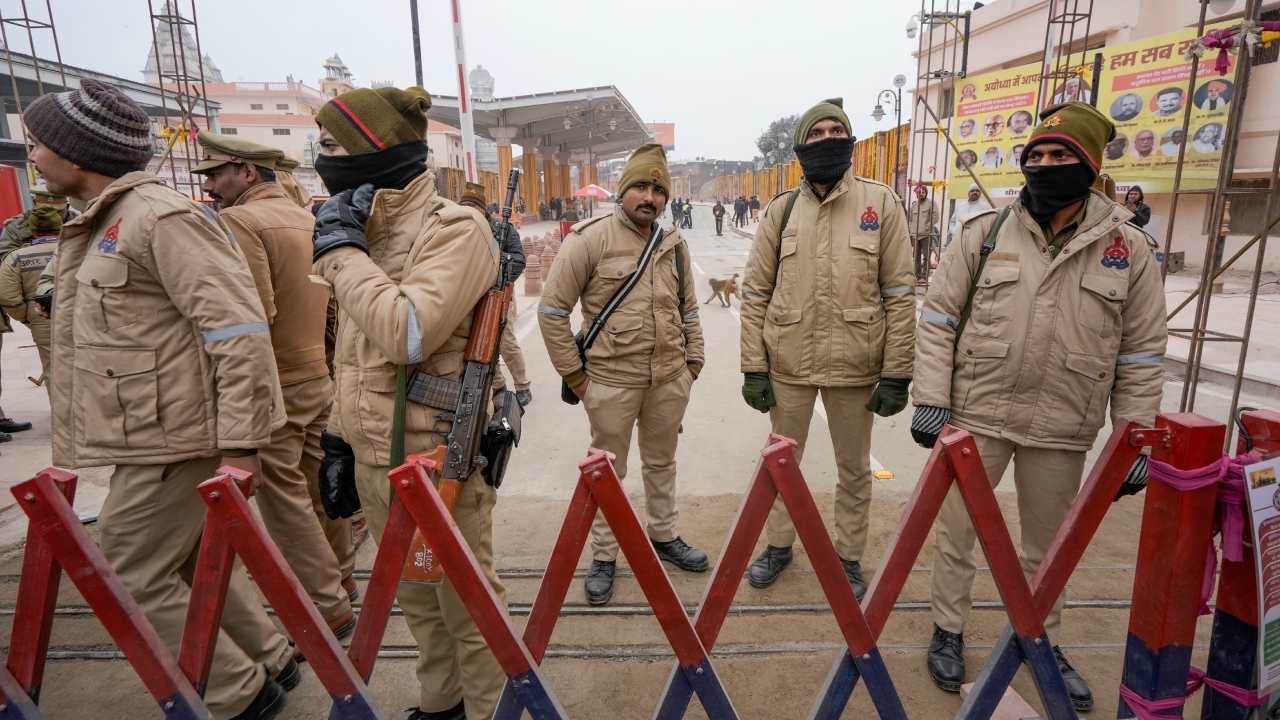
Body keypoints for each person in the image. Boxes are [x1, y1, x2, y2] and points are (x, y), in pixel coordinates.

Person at [29, 79, 295, 720]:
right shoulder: (107, 222)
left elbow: (238, 333)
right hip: (153, 432)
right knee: (180, 558)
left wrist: (241, 445)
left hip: (179, 436)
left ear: (78, 152)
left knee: (124, 566)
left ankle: (237, 695)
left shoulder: (160, 218)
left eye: (39, 144)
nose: (31, 154)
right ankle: (270, 659)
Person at [911, 102, 1166, 711]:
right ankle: (948, 629)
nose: (1046, 166)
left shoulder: (1127, 250)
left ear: (1089, 166)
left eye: (1062, 157)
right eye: (1038, 156)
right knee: (958, 531)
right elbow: (940, 319)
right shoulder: (985, 233)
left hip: (1063, 420)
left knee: (1050, 545)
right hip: (978, 412)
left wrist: (1134, 437)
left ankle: (1042, 640)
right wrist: (931, 398)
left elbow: (1141, 354)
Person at [310, 84, 507, 720]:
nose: (323, 157)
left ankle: (492, 711)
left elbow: (406, 333)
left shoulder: (454, 230)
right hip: (377, 461)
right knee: (418, 600)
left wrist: (342, 254)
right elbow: (351, 357)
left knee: (469, 611)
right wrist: (341, 439)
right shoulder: (365, 228)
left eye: (333, 145)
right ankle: (443, 705)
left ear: (379, 149)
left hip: (437, 463)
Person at [739, 98, 915, 597]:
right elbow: (754, 294)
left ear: (851, 141)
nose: (827, 139)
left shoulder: (880, 204)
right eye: (816, 133)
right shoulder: (781, 210)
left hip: (856, 365)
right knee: (780, 465)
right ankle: (778, 545)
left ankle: (848, 556)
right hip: (789, 364)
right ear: (800, 147)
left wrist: (897, 372)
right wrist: (754, 366)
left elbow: (900, 294)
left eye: (837, 130)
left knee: (855, 470)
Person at [192, 133, 357, 640]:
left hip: (277, 379)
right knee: (318, 483)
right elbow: (331, 303)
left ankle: (325, 607)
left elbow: (251, 313)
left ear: (247, 171)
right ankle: (343, 575)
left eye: (218, 174)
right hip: (314, 372)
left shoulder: (240, 222)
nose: (213, 186)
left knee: (285, 500)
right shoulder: (306, 218)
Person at [539, 143, 708, 605]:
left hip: (669, 379)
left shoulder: (673, 244)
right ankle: (604, 555)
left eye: (658, 189)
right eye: (639, 186)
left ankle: (664, 535)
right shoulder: (588, 239)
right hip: (610, 382)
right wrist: (577, 377)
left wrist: (693, 364)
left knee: (662, 464)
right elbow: (553, 312)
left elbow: (689, 309)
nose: (649, 197)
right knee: (607, 473)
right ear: (622, 190)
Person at [0, 184, 77, 440]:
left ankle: (72, 423)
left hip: (56, 312)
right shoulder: (15, 229)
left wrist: (26, 315)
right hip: (54, 310)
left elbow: (7, 290)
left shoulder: (79, 219)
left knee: (61, 368)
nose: (61, 214)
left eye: (62, 208)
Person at [459, 182, 533, 407]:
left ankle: (523, 386)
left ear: (483, 209)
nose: (470, 211)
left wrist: (500, 278)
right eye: (465, 206)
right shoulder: (459, 230)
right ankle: (498, 384)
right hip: (470, 295)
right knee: (478, 343)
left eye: (474, 206)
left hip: (499, 294)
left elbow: (519, 259)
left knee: (505, 341)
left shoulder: (503, 230)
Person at [0, 204, 61, 383]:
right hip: (83, 316)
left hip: (41, 318)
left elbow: (7, 296)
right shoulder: (78, 249)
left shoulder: (16, 257)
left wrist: (25, 317)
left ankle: (62, 411)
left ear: (32, 230)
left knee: (54, 370)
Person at [908, 183, 940, 279]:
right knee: (916, 256)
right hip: (915, 235)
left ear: (926, 193)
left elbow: (935, 217)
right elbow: (909, 218)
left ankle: (924, 275)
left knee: (926, 256)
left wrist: (927, 227)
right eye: (918, 192)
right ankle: (917, 275)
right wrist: (911, 228)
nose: (920, 194)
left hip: (926, 234)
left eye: (923, 192)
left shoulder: (931, 203)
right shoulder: (914, 205)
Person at [947, 183, 991, 247]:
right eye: (972, 191)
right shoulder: (961, 206)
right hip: (957, 239)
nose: (975, 192)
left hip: (974, 242)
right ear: (968, 193)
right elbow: (952, 220)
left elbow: (989, 224)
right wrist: (953, 231)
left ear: (980, 193)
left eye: (977, 190)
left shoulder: (985, 207)